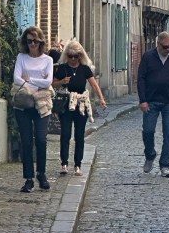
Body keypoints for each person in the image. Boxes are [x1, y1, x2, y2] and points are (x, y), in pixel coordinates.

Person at [137, 31, 169, 177]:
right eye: (165, 47)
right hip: (151, 100)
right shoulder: (148, 57)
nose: (168, 50)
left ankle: (165, 164)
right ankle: (150, 154)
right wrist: (143, 100)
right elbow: (141, 78)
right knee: (148, 130)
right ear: (158, 44)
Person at [53, 40, 107, 176]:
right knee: (65, 134)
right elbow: (53, 84)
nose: (72, 59)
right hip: (66, 104)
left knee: (79, 136)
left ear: (80, 56)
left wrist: (101, 99)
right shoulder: (62, 68)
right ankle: (64, 164)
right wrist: (62, 82)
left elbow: (94, 85)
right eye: (70, 56)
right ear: (67, 55)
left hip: (81, 104)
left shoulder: (84, 69)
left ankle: (78, 165)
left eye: (75, 56)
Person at [12, 26, 55, 193]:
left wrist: (28, 79)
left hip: (42, 104)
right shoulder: (21, 57)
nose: (32, 44)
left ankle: (41, 173)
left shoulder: (48, 60)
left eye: (35, 41)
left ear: (40, 42)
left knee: (41, 139)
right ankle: (28, 178)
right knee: (26, 140)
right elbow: (16, 79)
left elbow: (48, 82)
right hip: (23, 104)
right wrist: (38, 81)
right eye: (29, 41)